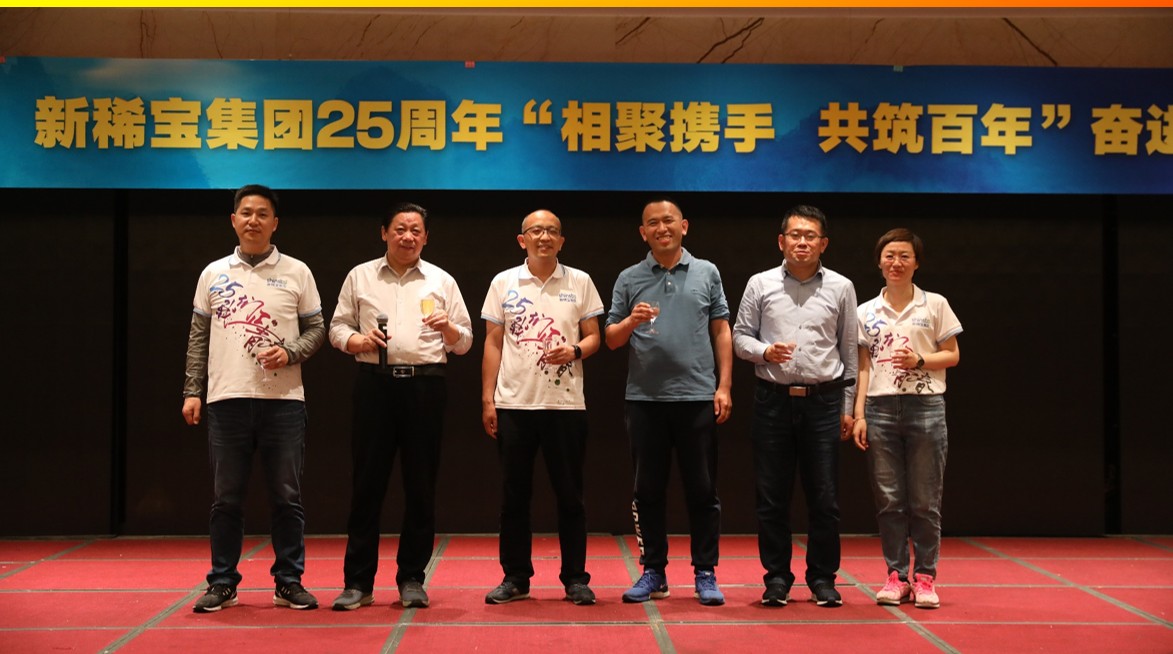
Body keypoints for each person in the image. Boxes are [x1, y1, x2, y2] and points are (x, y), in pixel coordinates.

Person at [182, 184, 325, 613]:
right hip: (226, 398)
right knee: (226, 498)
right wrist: (192, 391)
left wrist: (290, 352)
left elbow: (317, 329)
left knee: (287, 497)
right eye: (246, 213)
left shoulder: (297, 271)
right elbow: (198, 338)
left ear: (275, 223)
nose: (253, 221)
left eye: (263, 214)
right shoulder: (213, 273)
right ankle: (223, 582)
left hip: (284, 401)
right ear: (233, 220)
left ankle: (288, 581)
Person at [327, 202, 473, 610]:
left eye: (415, 230)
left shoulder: (441, 280)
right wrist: (357, 341)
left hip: (425, 387)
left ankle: (412, 578)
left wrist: (448, 328)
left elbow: (464, 342)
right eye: (400, 229)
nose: (407, 236)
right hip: (374, 385)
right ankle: (358, 582)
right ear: (384, 233)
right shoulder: (360, 276)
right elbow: (336, 327)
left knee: (421, 486)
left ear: (426, 237)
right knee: (366, 485)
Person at [605, 198, 733, 607]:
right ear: (642, 232)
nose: (662, 228)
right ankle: (653, 572)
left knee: (703, 490)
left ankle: (705, 572)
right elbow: (611, 339)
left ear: (684, 226)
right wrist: (631, 321)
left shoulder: (707, 272)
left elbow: (721, 330)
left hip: (697, 396)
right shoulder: (629, 277)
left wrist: (724, 386)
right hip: (645, 400)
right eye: (653, 223)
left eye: (669, 221)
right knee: (647, 491)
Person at [732, 204, 858, 608]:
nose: (802, 242)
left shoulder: (841, 286)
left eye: (810, 236)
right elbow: (739, 337)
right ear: (781, 240)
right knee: (772, 496)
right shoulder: (760, 283)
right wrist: (765, 352)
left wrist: (848, 407)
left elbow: (849, 352)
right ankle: (776, 578)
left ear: (823, 243)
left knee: (825, 497)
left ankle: (822, 578)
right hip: (772, 400)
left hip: (824, 402)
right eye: (795, 235)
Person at [480, 209, 604, 606]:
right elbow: (493, 343)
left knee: (571, 496)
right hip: (514, 403)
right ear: (523, 240)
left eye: (552, 231)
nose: (544, 237)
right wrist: (487, 399)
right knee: (514, 497)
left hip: (565, 405)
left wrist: (575, 350)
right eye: (536, 231)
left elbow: (595, 337)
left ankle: (575, 579)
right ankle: (516, 577)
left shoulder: (580, 281)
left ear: (562, 241)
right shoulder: (503, 282)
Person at [850, 228, 961, 610]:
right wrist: (859, 414)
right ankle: (896, 576)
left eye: (904, 256)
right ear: (879, 262)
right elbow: (863, 367)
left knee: (925, 502)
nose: (896, 262)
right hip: (880, 408)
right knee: (889, 501)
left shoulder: (935, 304)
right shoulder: (865, 311)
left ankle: (925, 577)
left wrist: (920, 360)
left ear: (916, 263)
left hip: (926, 407)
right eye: (889, 256)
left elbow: (953, 354)